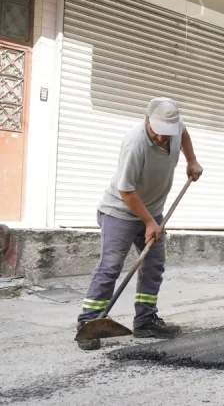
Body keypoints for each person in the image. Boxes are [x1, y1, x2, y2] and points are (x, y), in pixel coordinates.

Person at [76, 97, 203, 351]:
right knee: (110, 266)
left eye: (166, 135)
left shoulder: (175, 127)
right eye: (156, 133)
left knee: (153, 265)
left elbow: (185, 134)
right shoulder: (135, 143)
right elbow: (126, 190)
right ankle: (88, 323)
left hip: (153, 211)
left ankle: (145, 321)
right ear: (147, 120)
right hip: (120, 212)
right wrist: (149, 222)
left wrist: (191, 160)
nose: (161, 139)